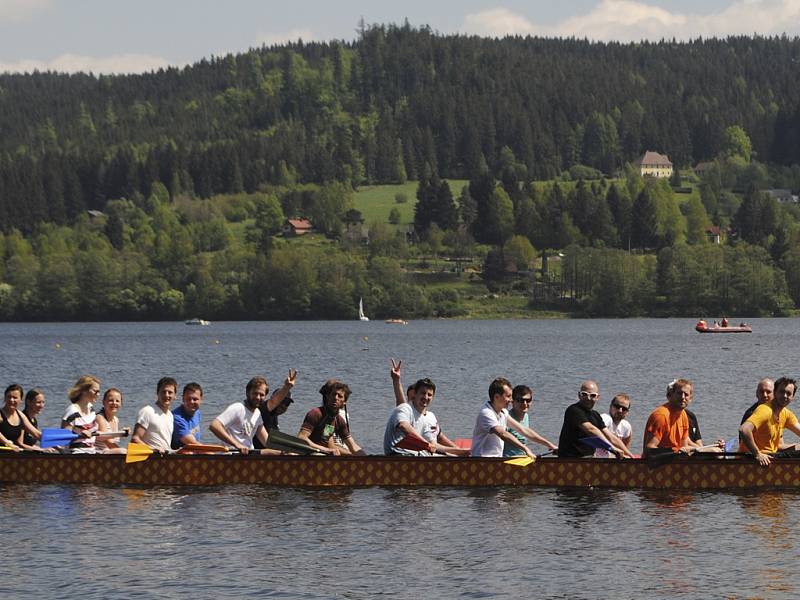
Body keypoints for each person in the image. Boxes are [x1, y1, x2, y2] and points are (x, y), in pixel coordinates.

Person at [389, 359, 469, 456]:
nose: (426, 397)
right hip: (398, 456)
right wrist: (396, 380)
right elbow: (404, 426)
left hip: (420, 456)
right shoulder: (404, 408)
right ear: (415, 394)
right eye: (423, 393)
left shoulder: (430, 417)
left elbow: (435, 443)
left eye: (429, 395)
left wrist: (459, 451)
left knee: (453, 457)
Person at [210, 373, 296, 455]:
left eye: (261, 395)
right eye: (255, 393)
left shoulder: (257, 413)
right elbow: (214, 425)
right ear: (248, 392)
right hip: (232, 455)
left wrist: (287, 450)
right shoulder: (238, 408)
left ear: (265, 396)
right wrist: (237, 445)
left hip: (249, 456)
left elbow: (266, 442)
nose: (258, 397)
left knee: (286, 454)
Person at [643, 379, 722, 457]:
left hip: (677, 462)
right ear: (672, 394)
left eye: (686, 394)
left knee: (718, 454)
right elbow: (649, 449)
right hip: (656, 465)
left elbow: (684, 447)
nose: (683, 397)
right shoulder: (661, 416)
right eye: (679, 393)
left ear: (690, 399)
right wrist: (678, 451)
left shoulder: (684, 415)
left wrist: (710, 449)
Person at [557, 380, 633, 458]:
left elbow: (611, 437)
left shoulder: (595, 415)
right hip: (570, 460)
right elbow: (591, 429)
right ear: (579, 395)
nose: (588, 398)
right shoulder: (573, 410)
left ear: (597, 397)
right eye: (584, 394)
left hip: (589, 459)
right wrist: (612, 448)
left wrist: (630, 455)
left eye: (592, 395)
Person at [471, 378, 544, 459]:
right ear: (496, 397)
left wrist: (551, 445)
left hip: (496, 461)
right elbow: (503, 434)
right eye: (508, 396)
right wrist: (525, 449)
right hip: (482, 461)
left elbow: (523, 430)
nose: (511, 400)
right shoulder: (486, 413)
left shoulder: (503, 412)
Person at [739, 377, 800, 467]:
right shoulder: (765, 410)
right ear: (775, 393)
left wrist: (796, 446)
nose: (785, 396)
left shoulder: (786, 413)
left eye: (788, 393)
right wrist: (757, 454)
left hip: (771, 455)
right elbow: (744, 430)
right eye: (781, 392)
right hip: (751, 458)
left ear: (792, 397)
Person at [300, 379, 365, 455]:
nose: (335, 398)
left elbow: (353, 446)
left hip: (326, 455)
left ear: (344, 403)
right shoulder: (315, 413)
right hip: (310, 454)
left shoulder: (338, 420)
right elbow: (301, 437)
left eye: (340, 396)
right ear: (328, 396)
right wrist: (326, 450)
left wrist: (368, 458)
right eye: (333, 394)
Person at [503, 384, 557, 458]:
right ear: (513, 401)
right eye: (521, 400)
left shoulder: (526, 416)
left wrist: (550, 445)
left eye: (528, 400)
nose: (525, 404)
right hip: (507, 459)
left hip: (523, 457)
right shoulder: (506, 417)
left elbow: (529, 433)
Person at [131, 377, 176, 452]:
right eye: (163, 392)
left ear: (175, 396)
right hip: (150, 459)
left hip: (164, 458)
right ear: (157, 393)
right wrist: (153, 450)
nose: (166, 395)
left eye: (170, 392)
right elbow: (135, 440)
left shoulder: (170, 415)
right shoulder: (147, 411)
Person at [62, 376, 101, 453]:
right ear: (84, 391)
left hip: (91, 452)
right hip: (76, 453)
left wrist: (121, 433)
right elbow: (64, 437)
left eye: (99, 391)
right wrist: (80, 434)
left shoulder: (91, 409)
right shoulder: (72, 411)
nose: (98, 394)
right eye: (95, 391)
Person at [1, 384, 41, 451]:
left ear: (21, 400)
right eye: (9, 397)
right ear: (5, 398)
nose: (11, 400)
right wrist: (8, 443)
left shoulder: (21, 415)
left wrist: (56, 445)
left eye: (15, 397)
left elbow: (36, 433)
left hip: (14, 454)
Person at [596, 393, 632, 458]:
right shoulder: (605, 418)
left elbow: (625, 449)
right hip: (598, 459)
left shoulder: (626, 426)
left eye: (624, 409)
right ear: (610, 406)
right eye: (617, 407)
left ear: (627, 412)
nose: (620, 411)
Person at [95, 388, 129, 454]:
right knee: (123, 451)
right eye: (110, 400)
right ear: (103, 402)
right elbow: (108, 443)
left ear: (121, 403)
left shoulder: (116, 420)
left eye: (117, 401)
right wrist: (126, 453)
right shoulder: (100, 418)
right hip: (99, 453)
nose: (114, 403)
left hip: (110, 452)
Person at [171, 382, 204, 449]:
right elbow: (193, 444)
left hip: (195, 452)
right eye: (188, 399)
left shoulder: (197, 412)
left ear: (201, 399)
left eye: (195, 399)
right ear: (183, 399)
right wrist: (213, 453)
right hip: (179, 456)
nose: (191, 402)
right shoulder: (176, 418)